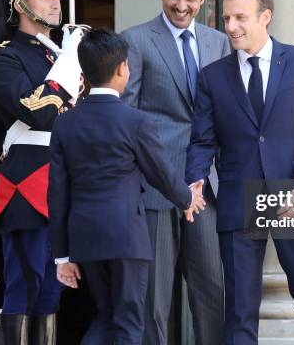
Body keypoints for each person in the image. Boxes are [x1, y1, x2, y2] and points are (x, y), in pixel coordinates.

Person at [185, 0, 294, 344]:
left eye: (240, 17)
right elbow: (202, 140)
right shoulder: (212, 76)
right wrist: (194, 178)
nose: (231, 26)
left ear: (265, 17)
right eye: (226, 17)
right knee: (239, 311)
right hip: (239, 202)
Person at [48, 28, 205, 345]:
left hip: (85, 238)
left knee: (106, 318)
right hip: (126, 236)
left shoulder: (65, 122)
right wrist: (188, 198)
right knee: (129, 323)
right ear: (122, 68)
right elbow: (160, 171)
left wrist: (62, 256)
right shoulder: (135, 121)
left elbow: (57, 193)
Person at [120, 0, 229, 344]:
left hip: (207, 188)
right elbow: (127, 117)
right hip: (155, 188)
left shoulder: (219, 42)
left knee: (213, 292)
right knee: (153, 299)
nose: (181, 6)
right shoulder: (135, 40)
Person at [0, 0, 83, 342]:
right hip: (26, 183)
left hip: (62, 179)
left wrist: (69, 58)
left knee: (52, 290)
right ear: (20, 4)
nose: (56, 3)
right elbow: (37, 111)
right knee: (25, 284)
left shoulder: (57, 54)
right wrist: (68, 64)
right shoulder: (3, 56)